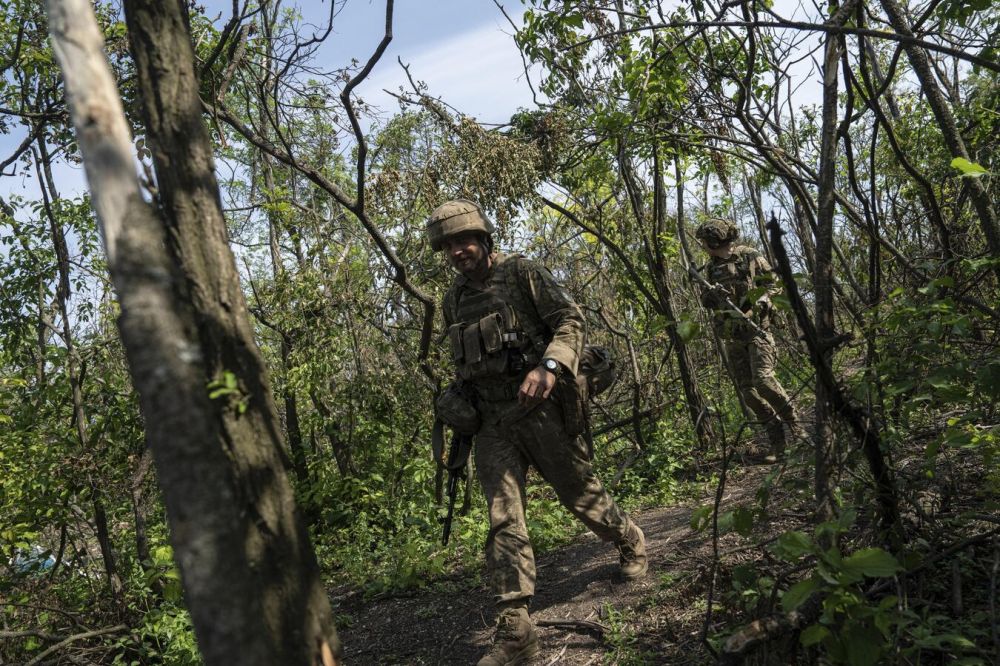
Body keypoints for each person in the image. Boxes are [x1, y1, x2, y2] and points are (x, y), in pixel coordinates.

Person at [428, 199, 647, 666]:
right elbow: (465, 361)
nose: (458, 251)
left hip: (540, 408)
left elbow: (570, 319)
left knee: (579, 494)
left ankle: (628, 536)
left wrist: (549, 367)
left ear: (483, 238)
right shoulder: (453, 299)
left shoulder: (522, 273)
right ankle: (516, 627)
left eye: (464, 240)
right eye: (449, 246)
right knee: (503, 517)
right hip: (492, 423)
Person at [695, 218, 803, 464]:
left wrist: (761, 303)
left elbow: (774, 285)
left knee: (764, 381)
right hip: (733, 336)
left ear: (714, 241)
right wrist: (712, 294)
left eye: (705, 241)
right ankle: (778, 443)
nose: (703, 245)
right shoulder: (711, 267)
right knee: (749, 394)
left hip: (757, 330)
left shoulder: (749, 256)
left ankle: (798, 428)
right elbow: (707, 301)